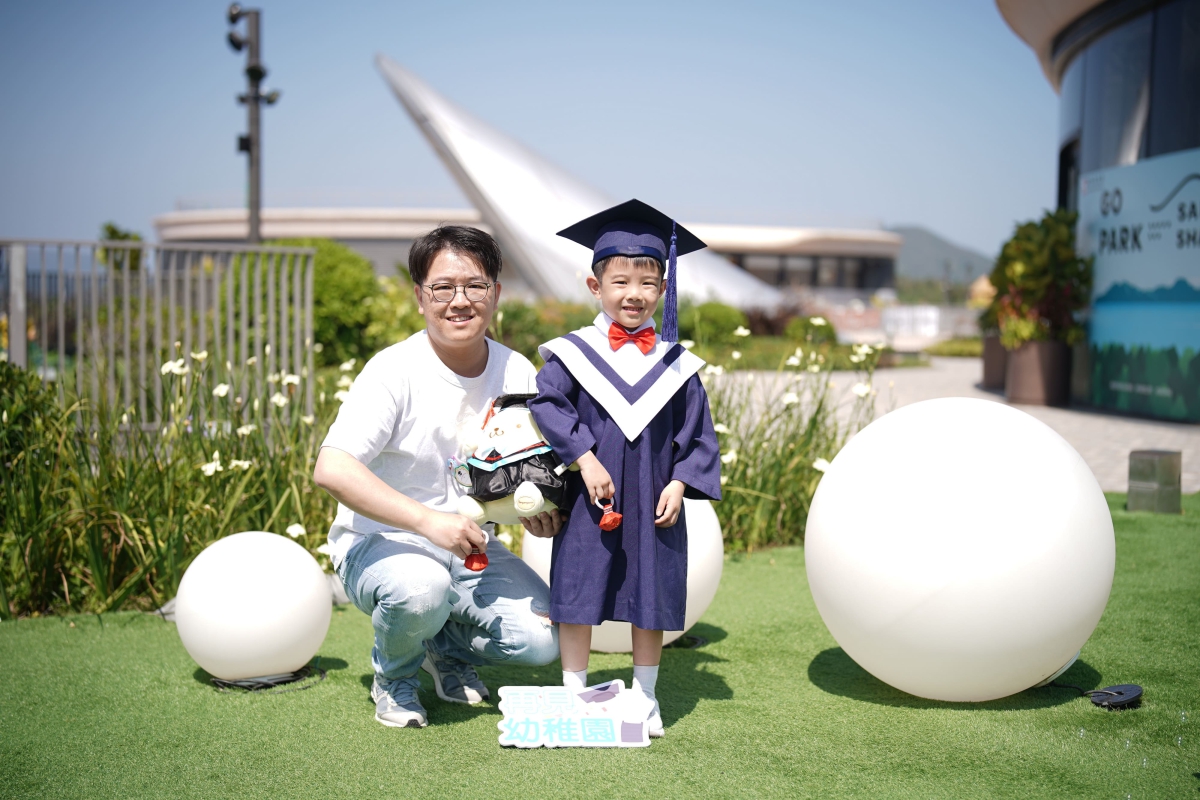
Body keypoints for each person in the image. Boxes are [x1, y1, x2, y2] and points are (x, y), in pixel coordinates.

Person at [313, 226, 561, 729]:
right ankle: (395, 678)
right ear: (419, 296)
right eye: (443, 288)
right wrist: (428, 522)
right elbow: (332, 468)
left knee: (542, 640)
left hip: (471, 549)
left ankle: (442, 649)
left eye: (475, 286)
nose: (460, 301)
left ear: (496, 293)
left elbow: (528, 465)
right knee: (420, 589)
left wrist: (540, 511)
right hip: (381, 544)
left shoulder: (518, 372)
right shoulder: (393, 370)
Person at [527, 199, 722, 737]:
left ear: (664, 289)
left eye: (647, 283)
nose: (633, 294)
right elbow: (547, 404)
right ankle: (574, 693)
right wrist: (584, 458)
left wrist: (680, 482)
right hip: (590, 500)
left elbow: (698, 432)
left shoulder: (676, 364)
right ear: (596, 286)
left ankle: (645, 697)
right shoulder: (573, 354)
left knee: (650, 594)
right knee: (578, 590)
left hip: (654, 498)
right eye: (620, 282)